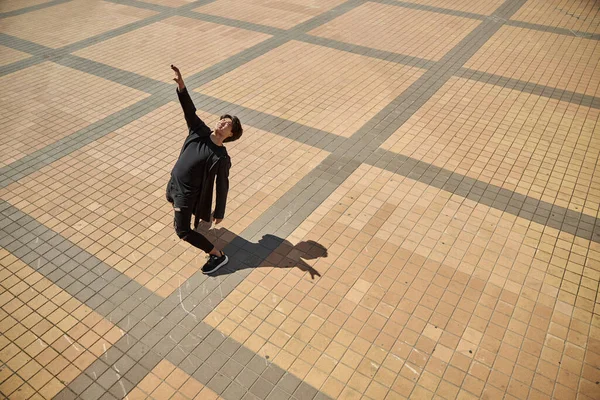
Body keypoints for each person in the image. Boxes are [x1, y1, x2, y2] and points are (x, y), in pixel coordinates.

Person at [166, 65, 243, 274]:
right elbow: (189, 110)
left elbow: (222, 185)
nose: (222, 123)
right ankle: (185, 211)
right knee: (171, 201)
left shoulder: (221, 157)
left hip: (187, 193)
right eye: (222, 120)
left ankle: (218, 255)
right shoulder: (199, 130)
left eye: (227, 124)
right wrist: (182, 86)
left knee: (182, 231)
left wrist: (219, 212)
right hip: (174, 185)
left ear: (230, 134)